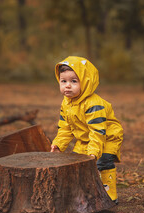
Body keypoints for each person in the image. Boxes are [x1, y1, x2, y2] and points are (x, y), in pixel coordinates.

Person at [51, 56, 123, 203]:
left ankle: (109, 195)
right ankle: (83, 194)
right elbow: (65, 127)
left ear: (86, 82)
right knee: (76, 164)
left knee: (102, 163)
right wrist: (59, 144)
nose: (67, 86)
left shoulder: (93, 104)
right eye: (63, 81)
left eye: (74, 81)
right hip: (85, 140)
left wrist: (93, 153)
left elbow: (98, 131)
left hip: (106, 138)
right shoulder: (67, 103)